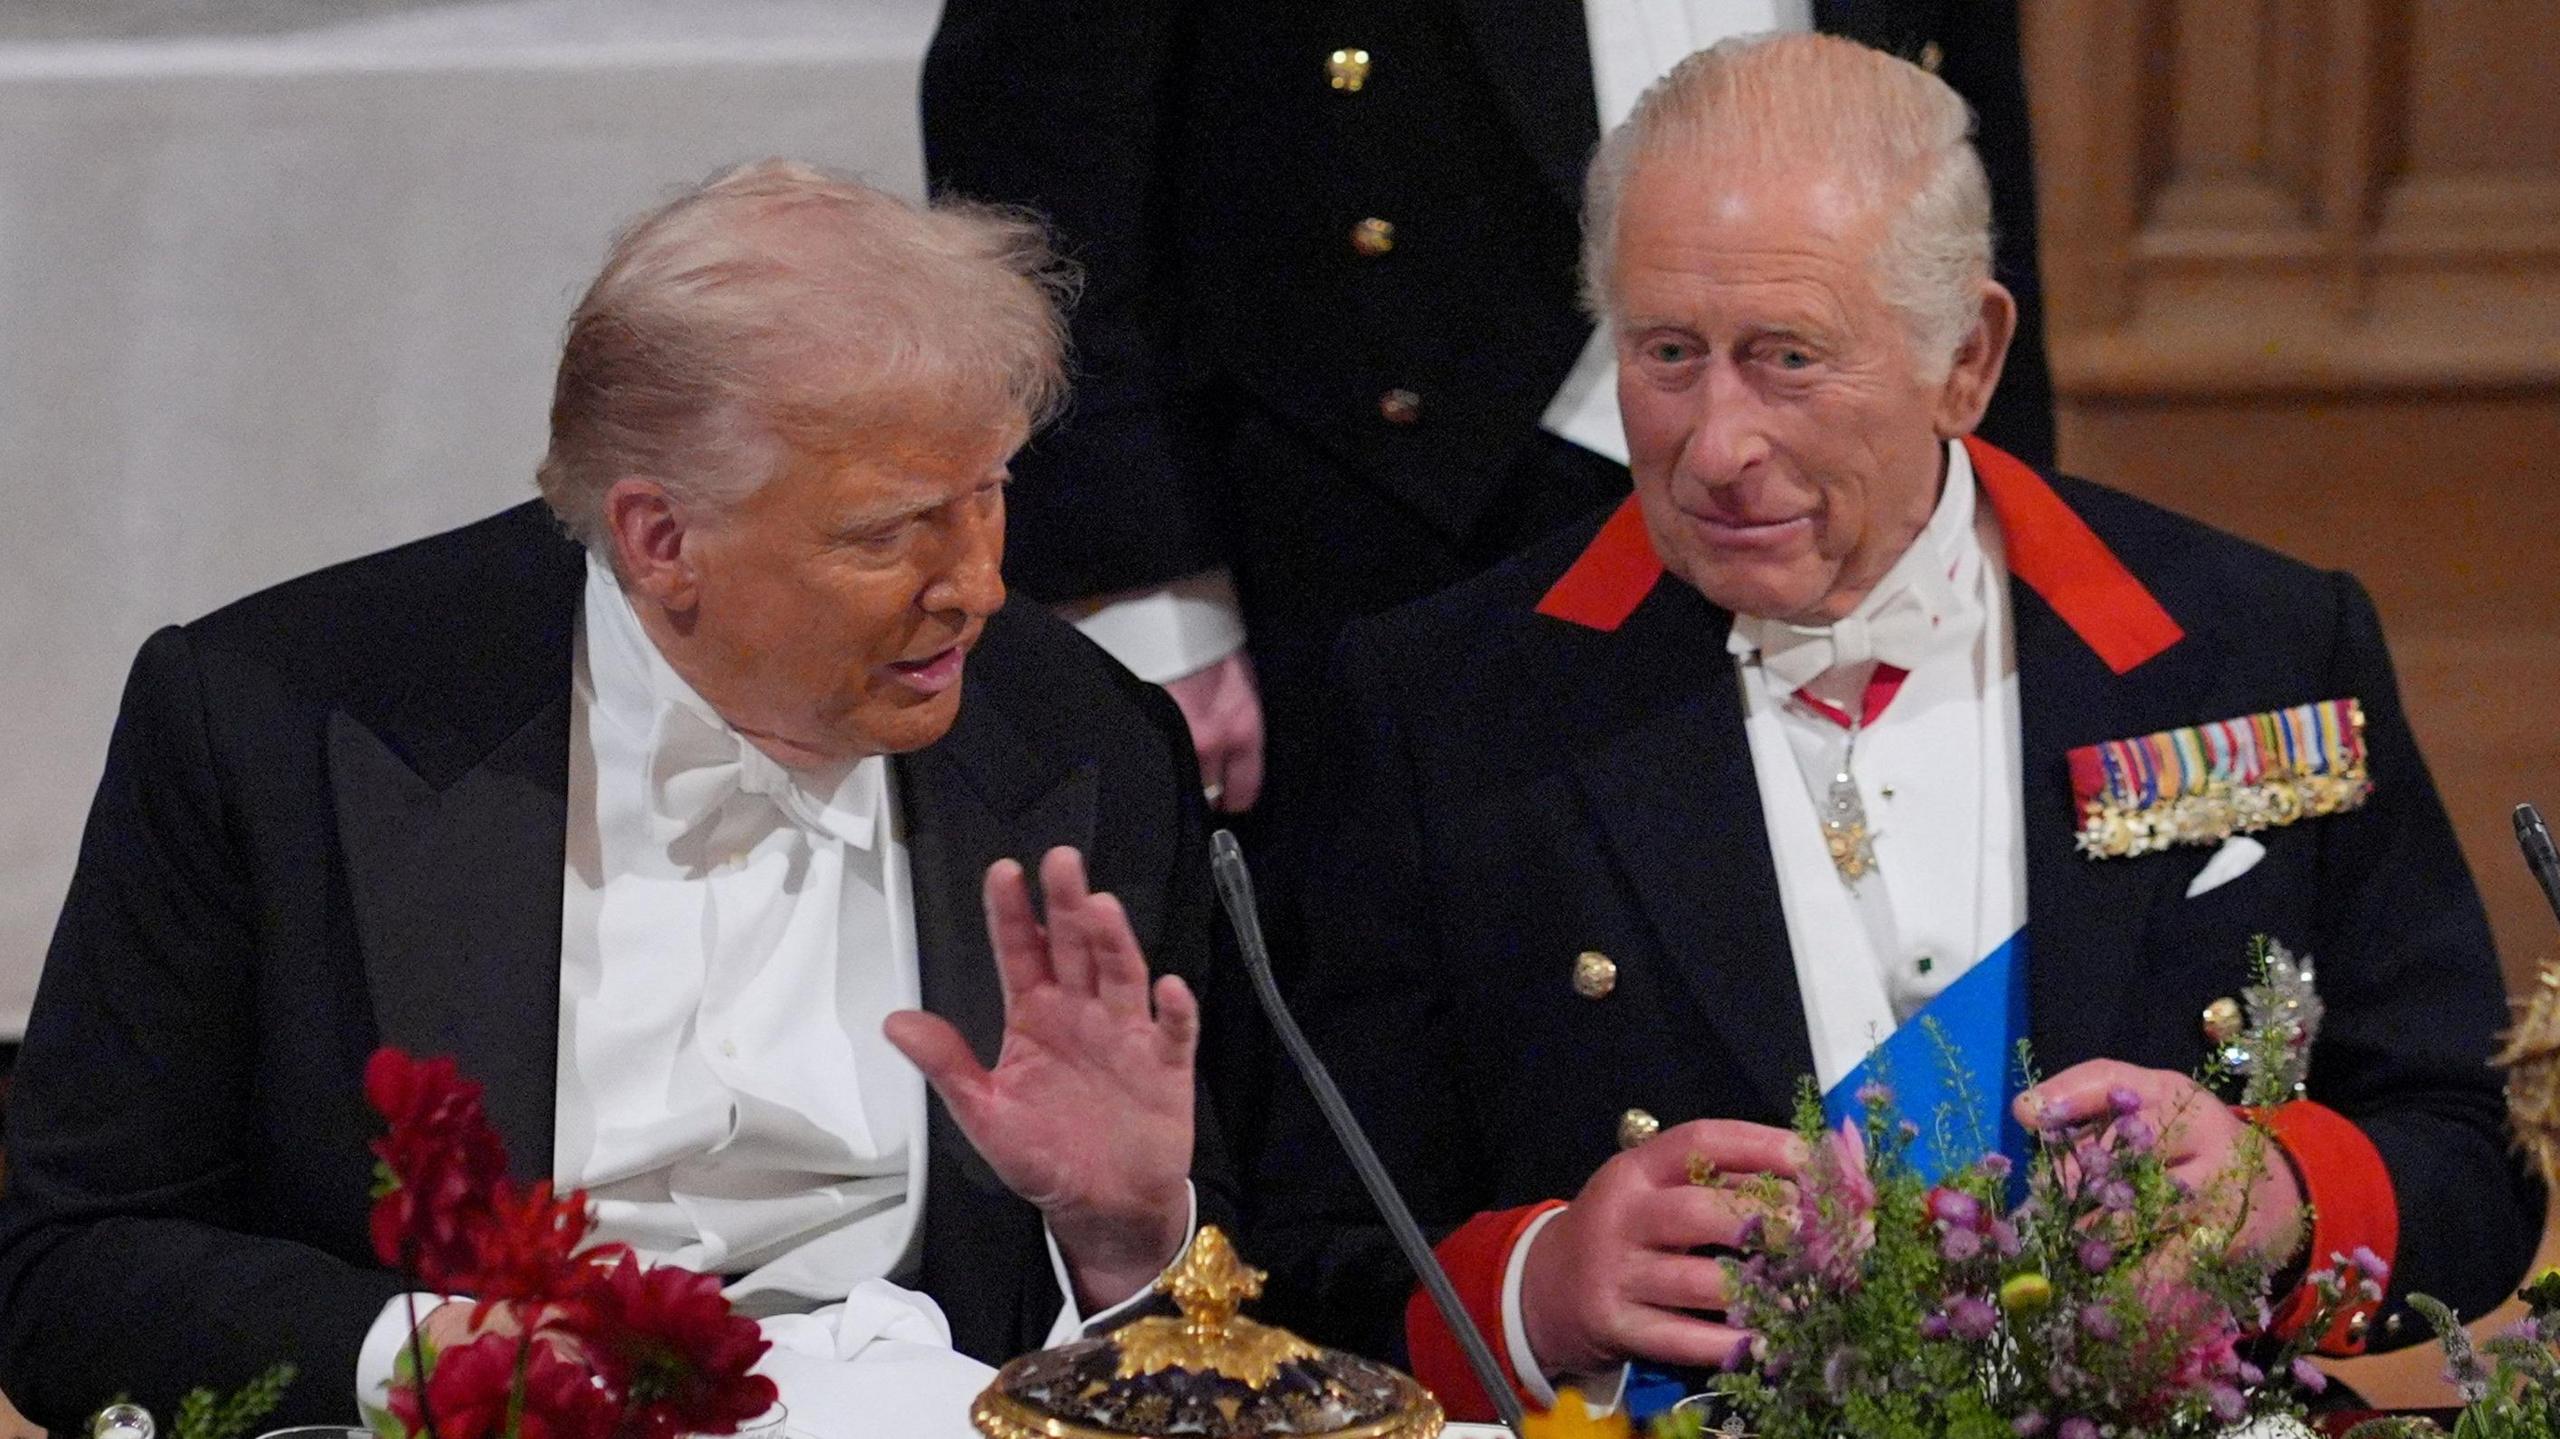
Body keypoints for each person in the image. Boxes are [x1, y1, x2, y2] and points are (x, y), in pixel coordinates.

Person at [1248, 33, 2542, 1421]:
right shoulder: (1442, 702)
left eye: (1788, 358)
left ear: (1968, 358)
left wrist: (2278, 1200)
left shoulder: (2258, 648)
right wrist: (1533, 1287)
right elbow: (1306, 1245)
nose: (1716, 443)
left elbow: (2474, 1153)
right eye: (1668, 353)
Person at [0, 162, 1225, 1434]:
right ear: (660, 539)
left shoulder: (1084, 739)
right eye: (890, 531)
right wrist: (433, 1356)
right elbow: (73, 1266)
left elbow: (1242, 1288)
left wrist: (1120, 1237)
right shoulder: (272, 720)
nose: (974, 584)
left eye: (991, 497)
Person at [919, 3, 2055, 1006]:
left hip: (1847, 472)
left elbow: (1970, 129)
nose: (1714, 441)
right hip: (1380, 502)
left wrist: (2007, 520)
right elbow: (1046, 108)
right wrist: (1144, 577)